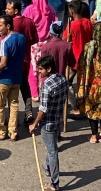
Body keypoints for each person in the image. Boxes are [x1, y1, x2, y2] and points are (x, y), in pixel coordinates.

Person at [30, 55, 69, 191]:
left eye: (41, 69)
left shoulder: (47, 85)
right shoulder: (63, 79)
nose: (39, 72)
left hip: (48, 124)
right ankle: (48, 167)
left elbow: (43, 109)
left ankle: (54, 183)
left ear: (49, 68)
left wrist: (34, 124)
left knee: (52, 151)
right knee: (51, 145)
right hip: (58, 120)